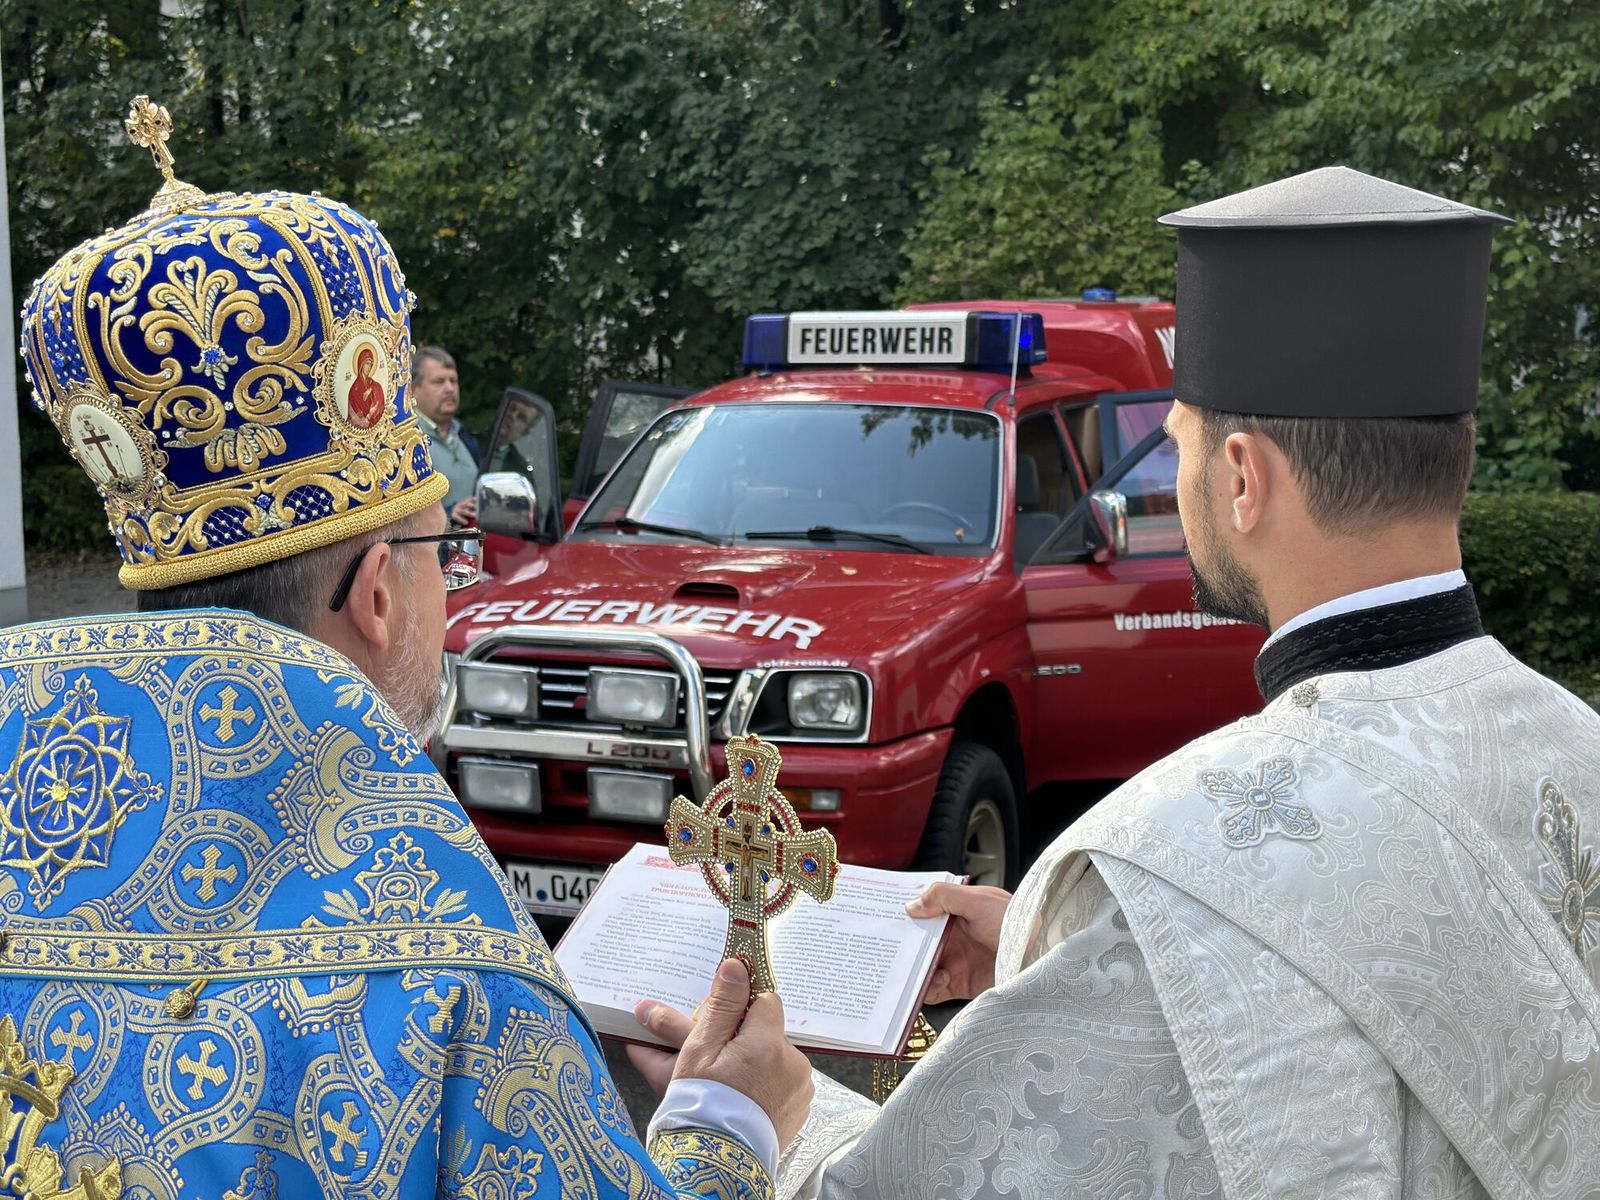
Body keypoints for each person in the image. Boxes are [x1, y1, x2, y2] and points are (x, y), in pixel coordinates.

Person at [635, 167, 1600, 1198]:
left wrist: (779, 1110)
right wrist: (1047, 948)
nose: (1171, 485)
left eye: (1175, 447)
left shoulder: (1173, 865)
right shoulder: (1576, 742)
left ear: (1241, 478)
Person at [0, 95, 809, 1198]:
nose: (452, 580)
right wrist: (729, 1124)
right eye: (444, 550)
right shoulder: (447, 967)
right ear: (377, 592)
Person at [411, 345, 482, 527]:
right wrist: (450, 514)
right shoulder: (406, 440)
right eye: (439, 382)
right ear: (413, 389)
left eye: (453, 380)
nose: (450, 388)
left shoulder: (465, 437)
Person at [346, 344, 387, 428]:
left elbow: (381, 406)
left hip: (377, 428)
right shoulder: (354, 390)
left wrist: (372, 389)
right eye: (367, 363)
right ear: (361, 364)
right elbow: (351, 419)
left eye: (371, 364)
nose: (369, 367)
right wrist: (367, 417)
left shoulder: (376, 386)